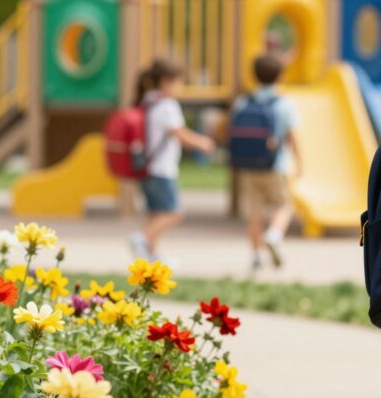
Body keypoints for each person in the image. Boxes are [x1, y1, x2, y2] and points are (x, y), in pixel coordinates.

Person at [129, 59, 215, 261]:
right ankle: (141, 238)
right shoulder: (167, 105)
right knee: (174, 212)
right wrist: (203, 143)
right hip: (162, 168)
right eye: (179, 82)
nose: (180, 87)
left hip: (146, 166)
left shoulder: (148, 101)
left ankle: (151, 255)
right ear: (167, 81)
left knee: (155, 213)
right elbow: (179, 133)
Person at [229, 52, 301, 270]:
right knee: (283, 204)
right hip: (274, 165)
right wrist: (300, 163)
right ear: (281, 76)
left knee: (254, 213)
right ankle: (274, 234)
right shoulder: (284, 103)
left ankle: (256, 257)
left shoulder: (243, 102)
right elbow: (292, 137)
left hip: (247, 166)